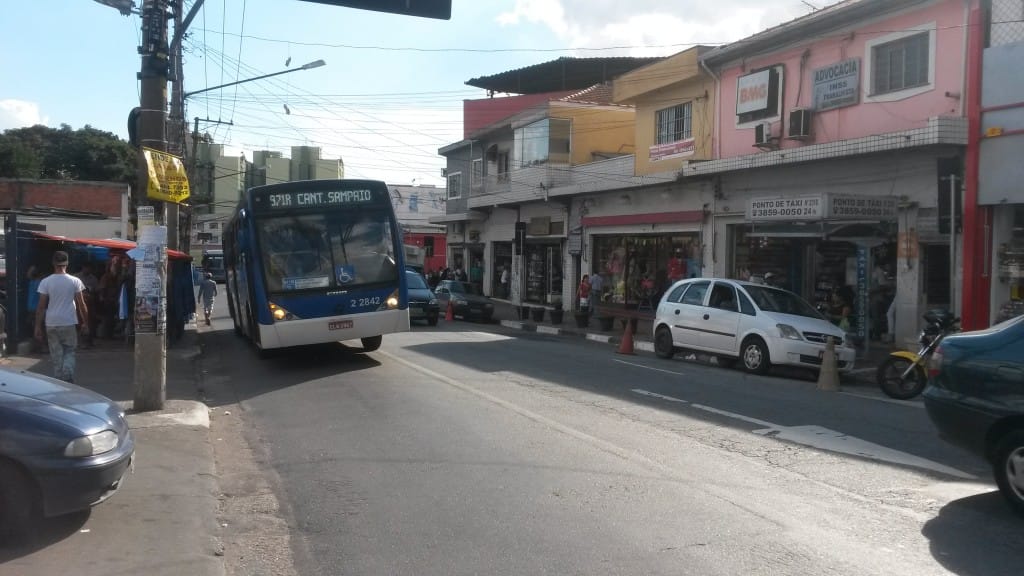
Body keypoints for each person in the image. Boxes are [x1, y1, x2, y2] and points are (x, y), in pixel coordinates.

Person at [35, 251, 88, 383]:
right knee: (69, 351)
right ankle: (68, 376)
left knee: (56, 354)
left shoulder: (45, 282)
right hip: (69, 322)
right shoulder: (75, 281)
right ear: (67, 263)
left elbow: (41, 307)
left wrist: (37, 326)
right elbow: (82, 304)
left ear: (53, 263)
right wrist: (85, 322)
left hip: (51, 323)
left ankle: (59, 380)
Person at [75, 262, 100, 347]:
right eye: (86, 268)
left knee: (90, 322)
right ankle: (79, 341)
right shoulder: (76, 277)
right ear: (83, 267)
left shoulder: (93, 279)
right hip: (78, 304)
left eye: (89, 268)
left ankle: (89, 341)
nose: (88, 270)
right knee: (78, 322)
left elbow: (97, 290)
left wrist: (91, 292)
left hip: (90, 303)